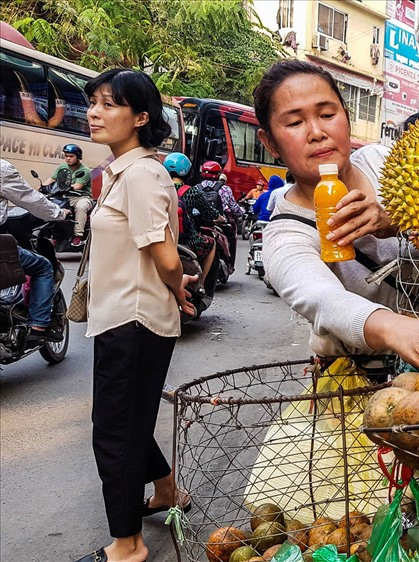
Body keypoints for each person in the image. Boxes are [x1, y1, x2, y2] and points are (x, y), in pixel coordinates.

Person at [254, 59, 419, 368]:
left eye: (327, 115)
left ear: (347, 117)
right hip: (367, 379)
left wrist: (398, 221)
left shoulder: (385, 164)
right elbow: (324, 301)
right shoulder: (286, 235)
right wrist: (399, 330)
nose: (316, 132)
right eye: (295, 123)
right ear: (270, 142)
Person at [77, 67, 197, 562]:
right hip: (123, 316)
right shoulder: (124, 171)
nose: (93, 112)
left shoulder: (143, 174)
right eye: (93, 103)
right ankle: (168, 492)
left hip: (134, 320)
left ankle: (127, 545)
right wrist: (176, 286)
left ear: (141, 117)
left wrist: (178, 289)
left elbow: (166, 256)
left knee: (112, 433)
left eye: (109, 104)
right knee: (127, 420)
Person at [0, 158, 70, 342]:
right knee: (43, 267)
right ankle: (38, 325)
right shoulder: (2, 169)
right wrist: (59, 213)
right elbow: (32, 200)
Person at [163, 153, 219, 279]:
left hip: (163, 236)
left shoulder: (160, 188)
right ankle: (202, 283)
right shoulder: (191, 191)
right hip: (187, 239)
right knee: (211, 243)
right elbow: (209, 212)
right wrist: (219, 217)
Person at [41, 144, 93, 246]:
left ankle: (78, 235)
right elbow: (51, 179)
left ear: (78, 157)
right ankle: (56, 234)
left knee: (81, 207)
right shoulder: (62, 167)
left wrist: (64, 187)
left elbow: (78, 186)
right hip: (65, 196)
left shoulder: (85, 171)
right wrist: (42, 188)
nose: (68, 158)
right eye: (66, 156)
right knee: (53, 205)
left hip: (80, 197)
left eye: (71, 156)